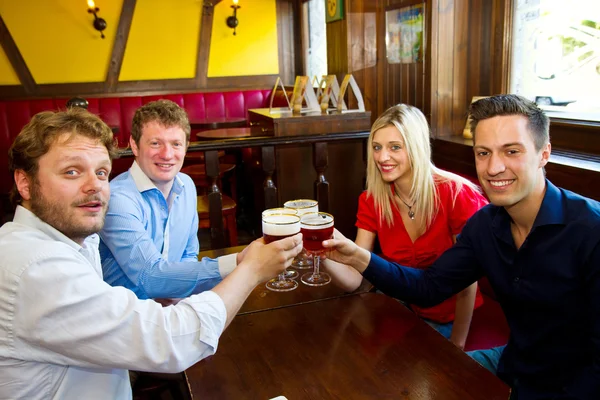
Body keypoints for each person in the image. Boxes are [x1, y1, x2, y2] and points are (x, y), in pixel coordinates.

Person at [0, 108, 302, 399]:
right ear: (24, 182)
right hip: (139, 358)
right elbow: (172, 340)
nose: (94, 186)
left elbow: (182, 261)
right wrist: (247, 268)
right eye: (71, 171)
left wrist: (178, 290)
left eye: (101, 172)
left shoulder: (76, 237)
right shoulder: (37, 266)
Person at [322, 94, 600, 400]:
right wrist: (357, 255)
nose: (494, 168)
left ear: (543, 153)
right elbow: (429, 287)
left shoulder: (591, 230)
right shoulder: (485, 225)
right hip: (514, 362)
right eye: (483, 153)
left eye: (511, 151)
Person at [323, 104, 487, 349]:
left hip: (448, 316)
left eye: (395, 147)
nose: (382, 157)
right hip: (397, 308)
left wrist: (458, 345)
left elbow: (467, 283)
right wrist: (322, 251)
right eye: (377, 147)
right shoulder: (371, 200)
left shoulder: (455, 194)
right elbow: (354, 279)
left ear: (417, 148)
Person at [99, 100, 240, 300]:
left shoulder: (187, 186)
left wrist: (177, 297)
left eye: (176, 144)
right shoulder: (117, 199)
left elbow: (188, 257)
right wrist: (239, 263)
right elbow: (150, 277)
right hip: (128, 317)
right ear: (134, 145)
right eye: (155, 143)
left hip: (173, 308)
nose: (167, 155)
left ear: (186, 147)